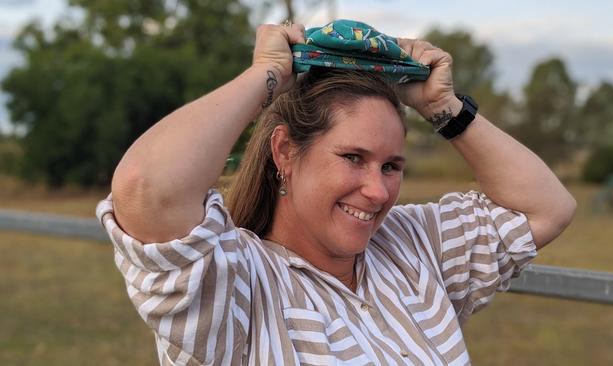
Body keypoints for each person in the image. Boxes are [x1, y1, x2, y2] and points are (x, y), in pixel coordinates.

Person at [97, 21, 576, 365]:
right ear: (284, 152)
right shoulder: (235, 282)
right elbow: (147, 187)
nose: (376, 190)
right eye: (353, 158)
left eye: (391, 166)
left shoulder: (412, 247)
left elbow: (546, 208)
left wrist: (443, 107)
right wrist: (267, 74)